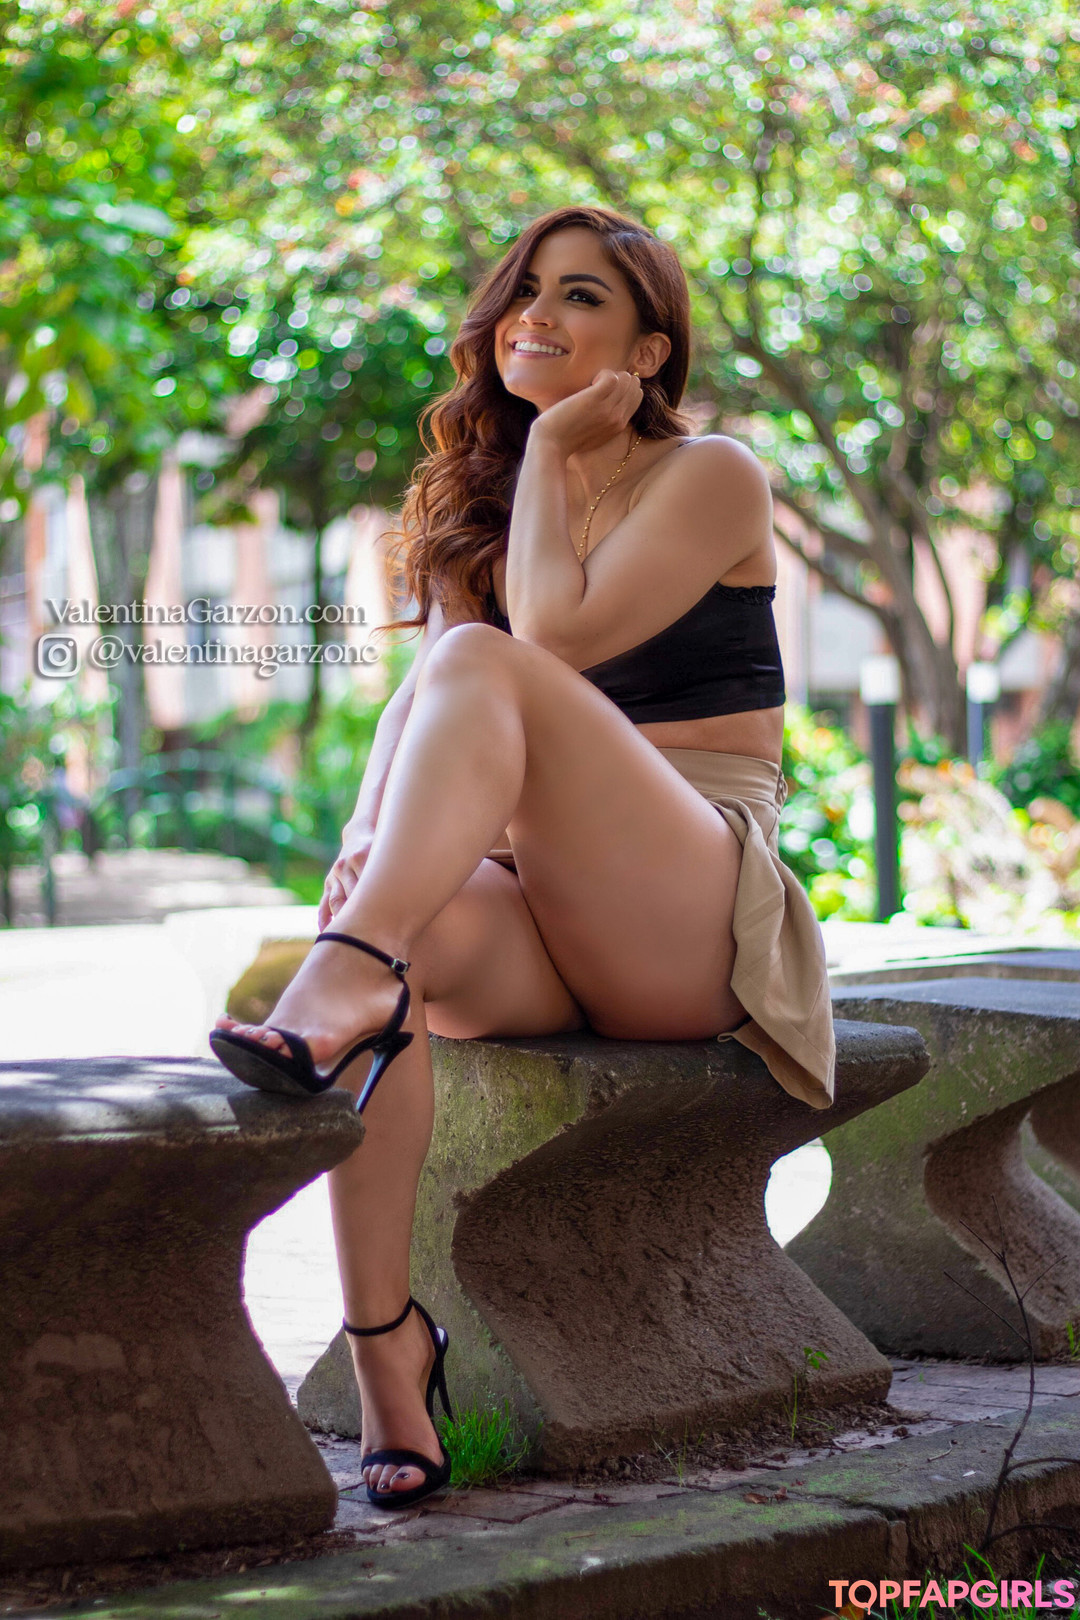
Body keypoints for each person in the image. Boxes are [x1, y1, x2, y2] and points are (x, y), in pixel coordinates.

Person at [210, 204, 836, 1511]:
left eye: (582, 297)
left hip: (690, 911)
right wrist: (365, 853)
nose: (535, 317)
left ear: (648, 352)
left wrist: (553, 445)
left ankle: (348, 962)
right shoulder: (482, 504)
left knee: (484, 658)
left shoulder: (711, 473)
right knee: (397, 967)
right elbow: (425, 698)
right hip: (541, 910)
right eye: (524, 292)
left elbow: (548, 641)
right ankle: (387, 1345)